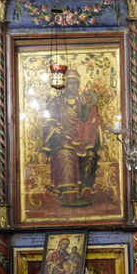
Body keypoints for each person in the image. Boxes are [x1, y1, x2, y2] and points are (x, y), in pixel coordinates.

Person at [40, 69, 104, 206]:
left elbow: (94, 121)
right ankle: (69, 191)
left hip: (82, 141)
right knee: (66, 153)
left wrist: (92, 132)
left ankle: (86, 188)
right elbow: (49, 122)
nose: (73, 86)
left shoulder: (84, 103)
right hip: (63, 141)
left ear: (78, 85)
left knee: (90, 154)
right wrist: (57, 130)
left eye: (75, 83)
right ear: (64, 85)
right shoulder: (55, 103)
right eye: (69, 83)